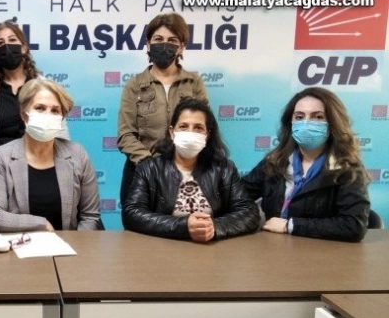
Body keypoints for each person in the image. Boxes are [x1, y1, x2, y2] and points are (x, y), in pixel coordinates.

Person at [0, 20, 69, 212]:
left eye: (12, 40)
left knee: (37, 225)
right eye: (0, 43)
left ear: (24, 47)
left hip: (38, 171)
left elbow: (60, 135)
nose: (7, 47)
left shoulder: (45, 87)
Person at [242, 87, 370, 242]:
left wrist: (291, 225)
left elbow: (354, 226)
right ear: (291, 123)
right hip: (273, 248)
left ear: (332, 124)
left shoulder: (348, 169)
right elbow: (238, 195)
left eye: (318, 117)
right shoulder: (275, 161)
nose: (306, 123)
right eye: (299, 117)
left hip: (322, 252)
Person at [122, 98, 259, 242]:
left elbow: (249, 212)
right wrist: (183, 227)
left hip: (213, 250)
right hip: (162, 248)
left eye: (198, 128)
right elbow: (131, 214)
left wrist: (214, 227)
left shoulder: (224, 169)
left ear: (208, 134)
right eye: (183, 126)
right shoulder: (149, 169)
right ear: (172, 132)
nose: (190, 133)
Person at [0, 79, 101, 232]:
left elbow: (90, 216)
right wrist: (41, 224)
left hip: (68, 245)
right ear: (24, 114)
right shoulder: (1, 156)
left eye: (55, 111)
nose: (48, 115)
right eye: (40, 108)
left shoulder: (77, 154)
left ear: (61, 118)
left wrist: (75, 244)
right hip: (21, 244)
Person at [117, 13, 207, 204]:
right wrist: (151, 165)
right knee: (137, 223)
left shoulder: (194, 83)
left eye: (172, 40)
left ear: (181, 46)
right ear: (148, 44)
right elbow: (126, 135)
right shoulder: (134, 85)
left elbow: (203, 128)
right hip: (141, 173)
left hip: (185, 173)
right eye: (158, 39)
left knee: (182, 222)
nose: (164, 45)